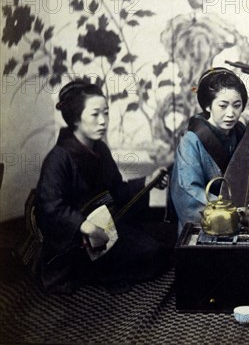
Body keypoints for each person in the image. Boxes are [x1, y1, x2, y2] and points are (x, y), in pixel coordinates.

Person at [34, 80, 171, 295]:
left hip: (105, 226)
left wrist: (147, 181)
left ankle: (109, 267)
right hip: (77, 241)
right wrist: (85, 226)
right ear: (76, 118)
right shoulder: (58, 158)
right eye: (95, 114)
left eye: (106, 113)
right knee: (152, 254)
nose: (103, 121)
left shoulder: (100, 149)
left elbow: (115, 192)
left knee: (165, 239)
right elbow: (49, 206)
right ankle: (99, 273)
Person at [170, 67, 249, 234]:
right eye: (223, 106)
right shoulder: (192, 140)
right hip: (213, 224)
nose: (231, 114)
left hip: (244, 221)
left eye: (237, 105)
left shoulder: (240, 132)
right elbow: (188, 191)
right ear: (208, 106)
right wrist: (229, 211)